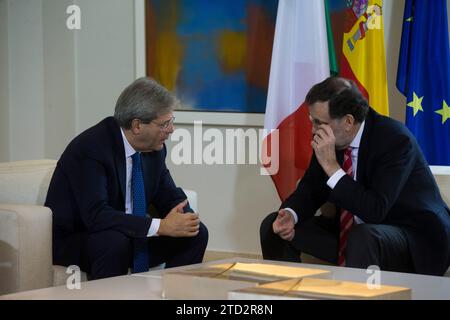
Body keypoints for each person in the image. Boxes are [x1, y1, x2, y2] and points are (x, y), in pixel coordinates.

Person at [260, 76, 450, 276]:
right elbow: (311, 189)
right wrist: (291, 213)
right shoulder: (331, 140)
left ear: (348, 122)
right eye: (311, 121)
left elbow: (375, 211)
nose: (314, 130)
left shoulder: (395, 140)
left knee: (362, 236)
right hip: (356, 236)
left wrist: (332, 167)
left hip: (413, 238)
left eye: (319, 123)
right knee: (272, 227)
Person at [46, 77, 208, 280]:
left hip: (129, 234)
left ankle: (175, 296)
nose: (171, 130)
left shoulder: (154, 149)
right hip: (80, 239)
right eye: (165, 123)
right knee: (114, 241)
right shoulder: (91, 148)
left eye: (171, 121)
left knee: (196, 233)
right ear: (137, 125)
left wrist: (185, 218)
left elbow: (167, 192)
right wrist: (161, 226)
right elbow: (96, 216)